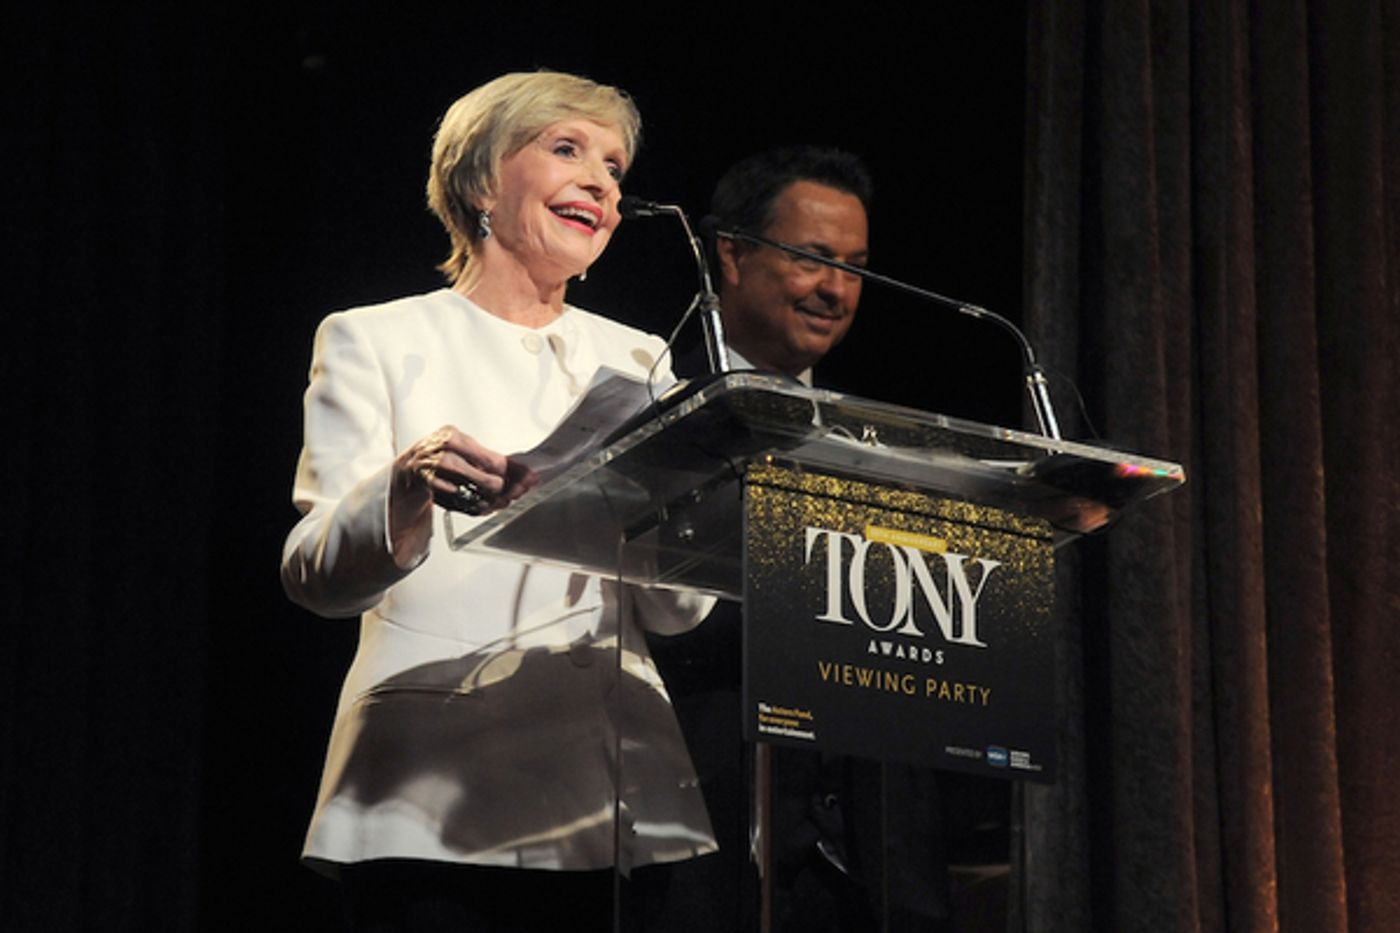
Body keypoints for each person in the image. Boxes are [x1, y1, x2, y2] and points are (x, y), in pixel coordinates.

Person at [281, 71, 715, 933]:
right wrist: (403, 489)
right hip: (432, 788)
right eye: (567, 150)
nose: (602, 181)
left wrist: (682, 503)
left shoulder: (644, 362)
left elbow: (677, 612)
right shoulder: (376, 337)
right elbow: (313, 574)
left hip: (615, 797)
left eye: (616, 167)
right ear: (481, 180)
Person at [650, 146, 959, 932]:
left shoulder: (884, 447)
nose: (836, 289)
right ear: (732, 252)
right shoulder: (649, 409)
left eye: (855, 267)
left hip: (873, 880)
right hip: (699, 855)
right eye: (812, 259)